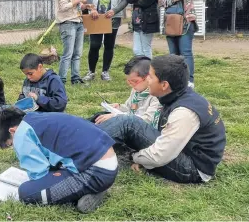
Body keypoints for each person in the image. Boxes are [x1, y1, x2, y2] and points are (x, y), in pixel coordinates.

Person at [97, 55, 226, 183]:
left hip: (193, 167)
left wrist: (133, 157)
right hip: (179, 150)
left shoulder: (184, 112)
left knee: (128, 122)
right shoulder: (176, 95)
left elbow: (159, 156)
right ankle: (85, 138)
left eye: (151, 76)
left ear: (164, 85)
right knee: (105, 117)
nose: (147, 80)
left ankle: (85, 149)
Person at [0, 108, 118, 213]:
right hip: (105, 163)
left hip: (95, 172)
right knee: (52, 174)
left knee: (26, 193)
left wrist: (38, 183)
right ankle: (91, 189)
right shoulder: (34, 118)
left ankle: (94, 189)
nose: (15, 147)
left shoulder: (22, 133)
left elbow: (39, 174)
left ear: (12, 131)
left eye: (11, 144)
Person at [83, 0, 130, 82]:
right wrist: (92, 8)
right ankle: (91, 72)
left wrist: (114, 11)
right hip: (96, 17)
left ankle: (105, 72)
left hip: (112, 18)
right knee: (94, 45)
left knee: (109, 45)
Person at [159, 0, 199, 88]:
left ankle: (189, 81)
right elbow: (161, 1)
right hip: (171, 22)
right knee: (173, 55)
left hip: (186, 23)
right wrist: (174, 0)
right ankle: (176, 80)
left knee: (185, 53)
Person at [93, 56, 161, 126]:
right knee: (99, 116)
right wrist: (119, 107)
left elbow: (147, 120)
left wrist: (117, 116)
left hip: (143, 129)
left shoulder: (156, 95)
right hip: (130, 123)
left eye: (134, 81)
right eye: (129, 81)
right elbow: (129, 108)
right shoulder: (136, 90)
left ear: (148, 77)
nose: (131, 85)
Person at [55, 0, 87, 85]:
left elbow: (75, 6)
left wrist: (85, 6)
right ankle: (61, 79)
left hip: (78, 22)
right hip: (68, 23)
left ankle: (75, 78)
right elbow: (63, 7)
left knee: (77, 53)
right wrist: (79, 0)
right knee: (67, 53)